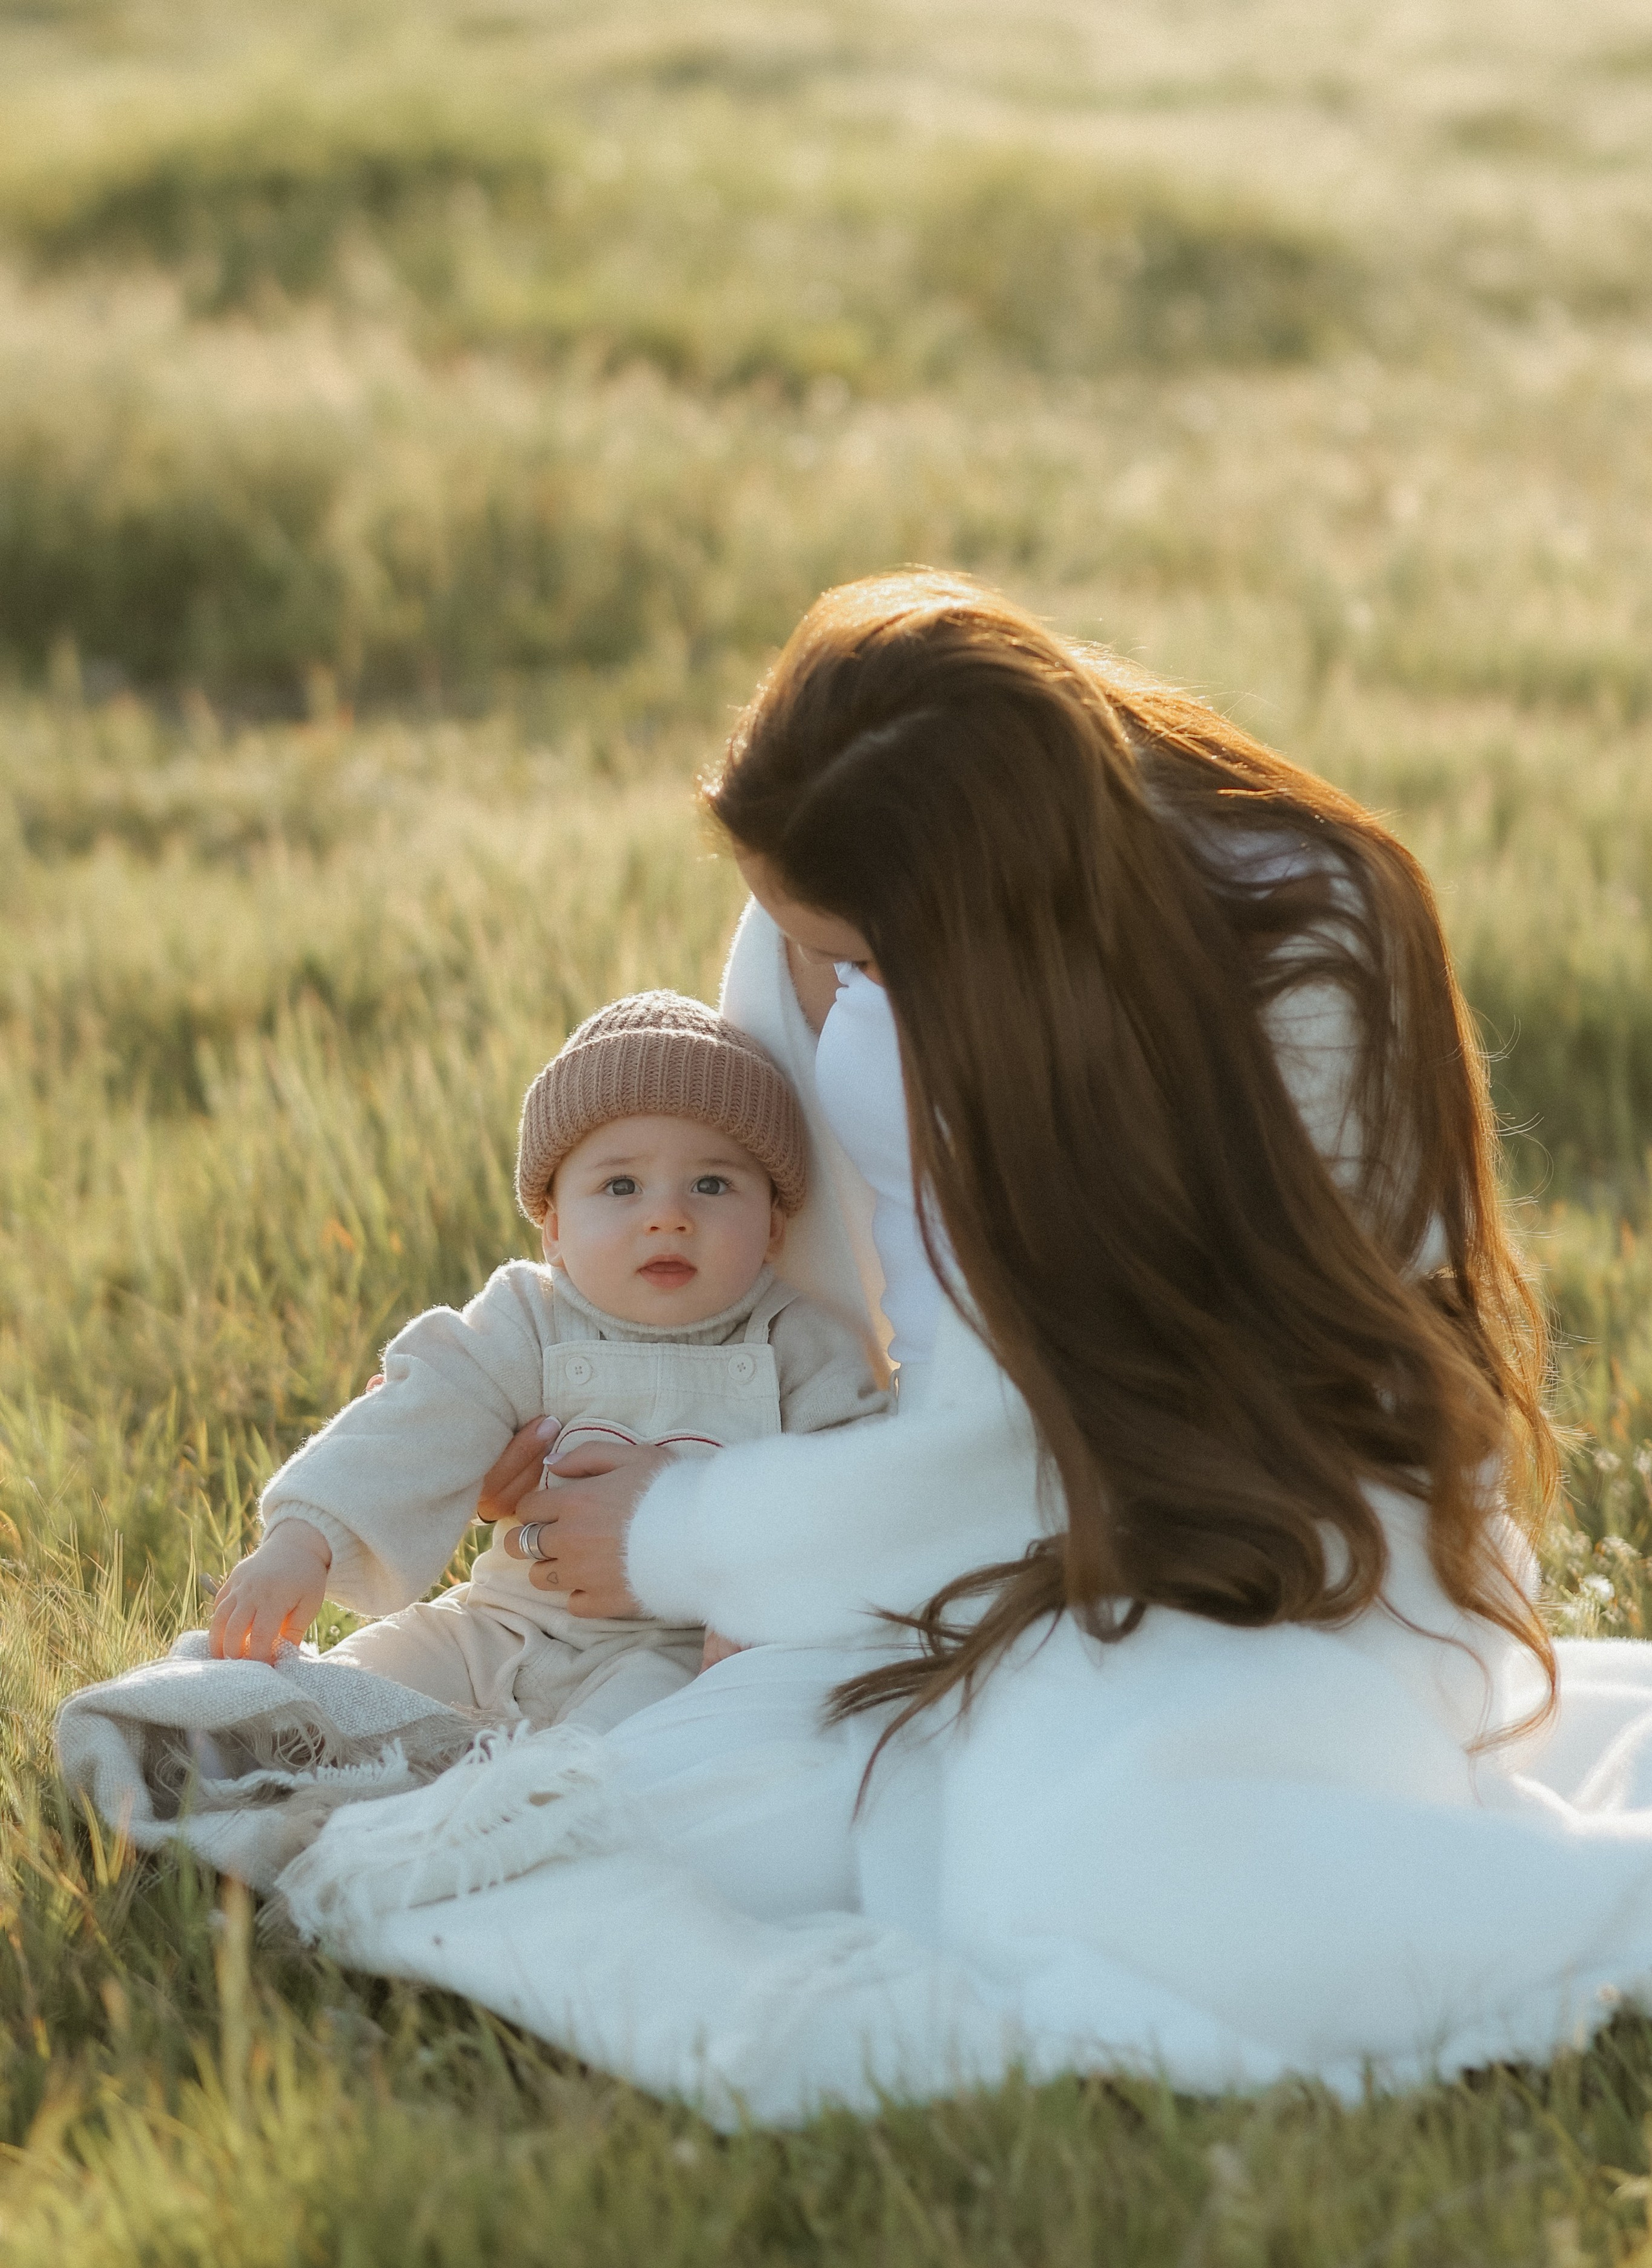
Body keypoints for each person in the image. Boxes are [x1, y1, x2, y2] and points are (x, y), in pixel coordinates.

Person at [158, 573, 1652, 2123]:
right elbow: (807, 1330)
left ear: (984, 914)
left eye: (860, 962)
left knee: (1089, 1862)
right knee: (690, 1800)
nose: (822, 989)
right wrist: (650, 1441)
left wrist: (684, 1531)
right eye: (811, 953)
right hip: (943, 1539)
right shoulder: (818, 924)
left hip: (1278, 1538)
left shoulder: (1307, 947)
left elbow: (1080, 1433)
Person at [206, 991, 887, 1735]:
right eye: (620, 1186)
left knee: (609, 1760)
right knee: (341, 1691)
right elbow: (417, 1420)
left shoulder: (802, 1345)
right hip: (498, 1627)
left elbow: (850, 1500)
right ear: (555, 1230)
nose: (668, 1214)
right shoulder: (525, 1320)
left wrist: (764, 1602)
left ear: (774, 1226)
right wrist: (306, 1540)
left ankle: (511, 1805)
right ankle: (227, 1732)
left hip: (673, 1652)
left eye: (713, 1184)